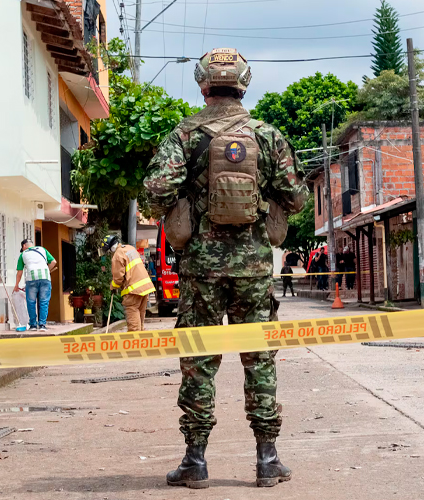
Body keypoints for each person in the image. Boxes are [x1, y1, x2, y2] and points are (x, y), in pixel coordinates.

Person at [144, 48, 308, 489]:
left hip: (200, 271)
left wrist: (185, 205)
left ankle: (195, 463)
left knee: (199, 362)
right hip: (254, 268)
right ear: (244, 83)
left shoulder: (183, 135)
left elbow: (155, 191)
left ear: (202, 84)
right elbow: (297, 199)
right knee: (260, 362)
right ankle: (267, 459)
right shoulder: (267, 136)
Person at [100, 235, 155, 332]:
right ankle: (141, 342)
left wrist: (113, 286)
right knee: (140, 320)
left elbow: (118, 278)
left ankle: (134, 344)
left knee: (133, 322)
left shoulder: (117, 256)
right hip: (145, 287)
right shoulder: (130, 248)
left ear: (111, 248)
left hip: (133, 290)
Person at [13, 239, 57, 332]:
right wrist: (46, 271)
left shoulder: (23, 254)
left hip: (31, 279)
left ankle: (33, 325)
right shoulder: (42, 249)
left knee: (31, 302)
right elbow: (53, 262)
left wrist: (16, 285)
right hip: (45, 278)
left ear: (24, 246)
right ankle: (42, 325)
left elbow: (19, 272)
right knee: (44, 302)